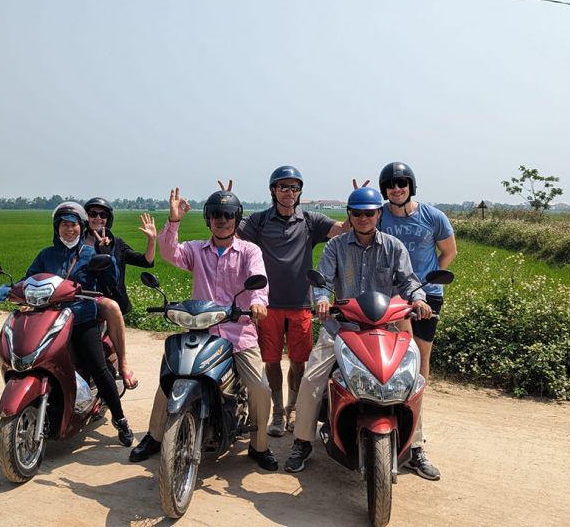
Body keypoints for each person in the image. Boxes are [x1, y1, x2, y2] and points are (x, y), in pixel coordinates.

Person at [128, 188, 278, 471]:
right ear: (208, 219)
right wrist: (174, 222)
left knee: (260, 388)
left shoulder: (249, 251)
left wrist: (258, 303)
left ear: (236, 219)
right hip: (202, 330)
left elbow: (260, 280)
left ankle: (259, 446)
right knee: (171, 376)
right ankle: (155, 435)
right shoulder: (196, 250)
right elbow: (170, 253)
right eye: (217, 215)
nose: (223, 220)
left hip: (239, 334)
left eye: (228, 215)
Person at [284, 187, 432, 473]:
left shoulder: (393, 247)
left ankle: (415, 447)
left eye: (369, 213)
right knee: (313, 377)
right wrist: (323, 301)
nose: (363, 218)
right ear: (349, 215)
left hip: (384, 328)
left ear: (378, 214)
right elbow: (322, 281)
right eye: (357, 213)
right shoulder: (335, 247)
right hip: (341, 327)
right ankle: (302, 441)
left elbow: (409, 281)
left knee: (411, 381)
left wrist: (419, 299)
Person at [220, 166, 350, 437]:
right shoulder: (260, 221)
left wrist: (356, 203)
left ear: (300, 191)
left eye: (294, 188)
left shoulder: (310, 220)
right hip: (267, 304)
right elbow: (231, 232)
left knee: (299, 361)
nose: (289, 192)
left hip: (301, 302)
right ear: (273, 190)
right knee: (271, 361)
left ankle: (293, 410)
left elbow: (341, 230)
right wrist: (227, 203)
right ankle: (277, 413)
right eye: (284, 187)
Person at [24, 201, 134, 447]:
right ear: (57, 227)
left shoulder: (88, 253)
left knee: (98, 367)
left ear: (80, 226)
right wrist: (12, 291)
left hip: (81, 319)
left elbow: (111, 280)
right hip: (50, 319)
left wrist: (107, 257)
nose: (69, 229)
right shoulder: (46, 255)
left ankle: (120, 419)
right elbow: (28, 278)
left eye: (73, 225)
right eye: (64, 224)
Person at [376, 162, 456, 481]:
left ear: (411, 185)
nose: (397, 188)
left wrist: (426, 282)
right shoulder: (378, 214)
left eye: (402, 183)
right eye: (391, 184)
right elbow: (351, 229)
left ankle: (415, 441)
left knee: (420, 360)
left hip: (426, 297)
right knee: (385, 360)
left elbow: (448, 252)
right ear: (385, 190)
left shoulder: (432, 216)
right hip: (388, 298)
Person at [83, 197, 158, 390]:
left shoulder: (117, 244)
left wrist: (152, 240)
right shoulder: (77, 242)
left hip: (110, 300)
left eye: (103, 215)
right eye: (93, 214)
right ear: (86, 217)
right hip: (82, 299)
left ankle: (123, 365)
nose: (98, 218)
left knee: (111, 333)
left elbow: (146, 261)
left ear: (108, 219)